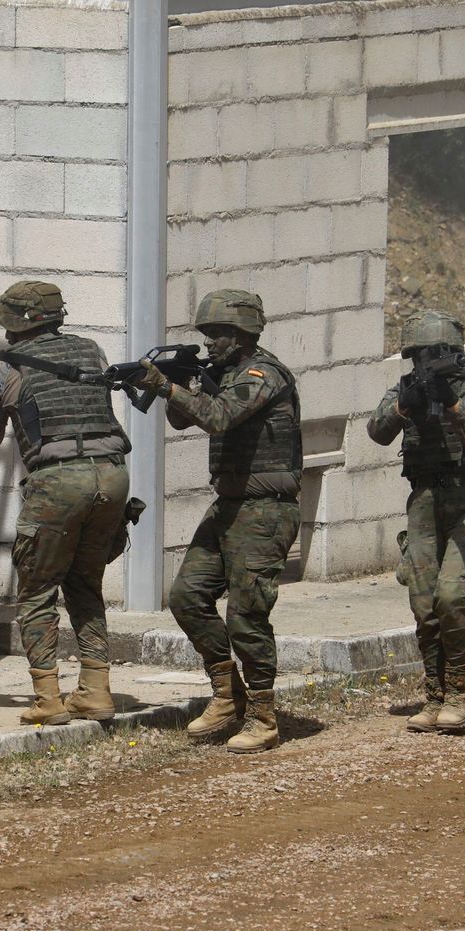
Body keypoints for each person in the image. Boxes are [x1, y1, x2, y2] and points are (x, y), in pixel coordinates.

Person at [0, 280, 131, 727]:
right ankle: (95, 691)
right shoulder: (91, 350)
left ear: (12, 322)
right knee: (84, 585)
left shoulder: (4, 370)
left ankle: (47, 699)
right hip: (111, 475)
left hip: (58, 483)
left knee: (36, 591)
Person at [136, 289, 301, 754]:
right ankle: (227, 694)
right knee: (187, 596)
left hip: (266, 508)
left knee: (247, 614)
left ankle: (264, 716)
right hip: (229, 505)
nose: (211, 343)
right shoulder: (223, 374)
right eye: (207, 334)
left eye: (220, 334)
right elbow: (181, 421)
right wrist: (177, 384)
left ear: (244, 333)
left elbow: (221, 417)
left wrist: (168, 386)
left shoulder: (261, 374)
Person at [366, 310, 465, 733]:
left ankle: (458, 694)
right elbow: (376, 430)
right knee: (424, 605)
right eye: (419, 355)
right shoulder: (406, 390)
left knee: (451, 598)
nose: (424, 362)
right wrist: (408, 403)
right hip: (424, 502)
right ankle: (434, 694)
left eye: (433, 354)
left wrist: (451, 400)